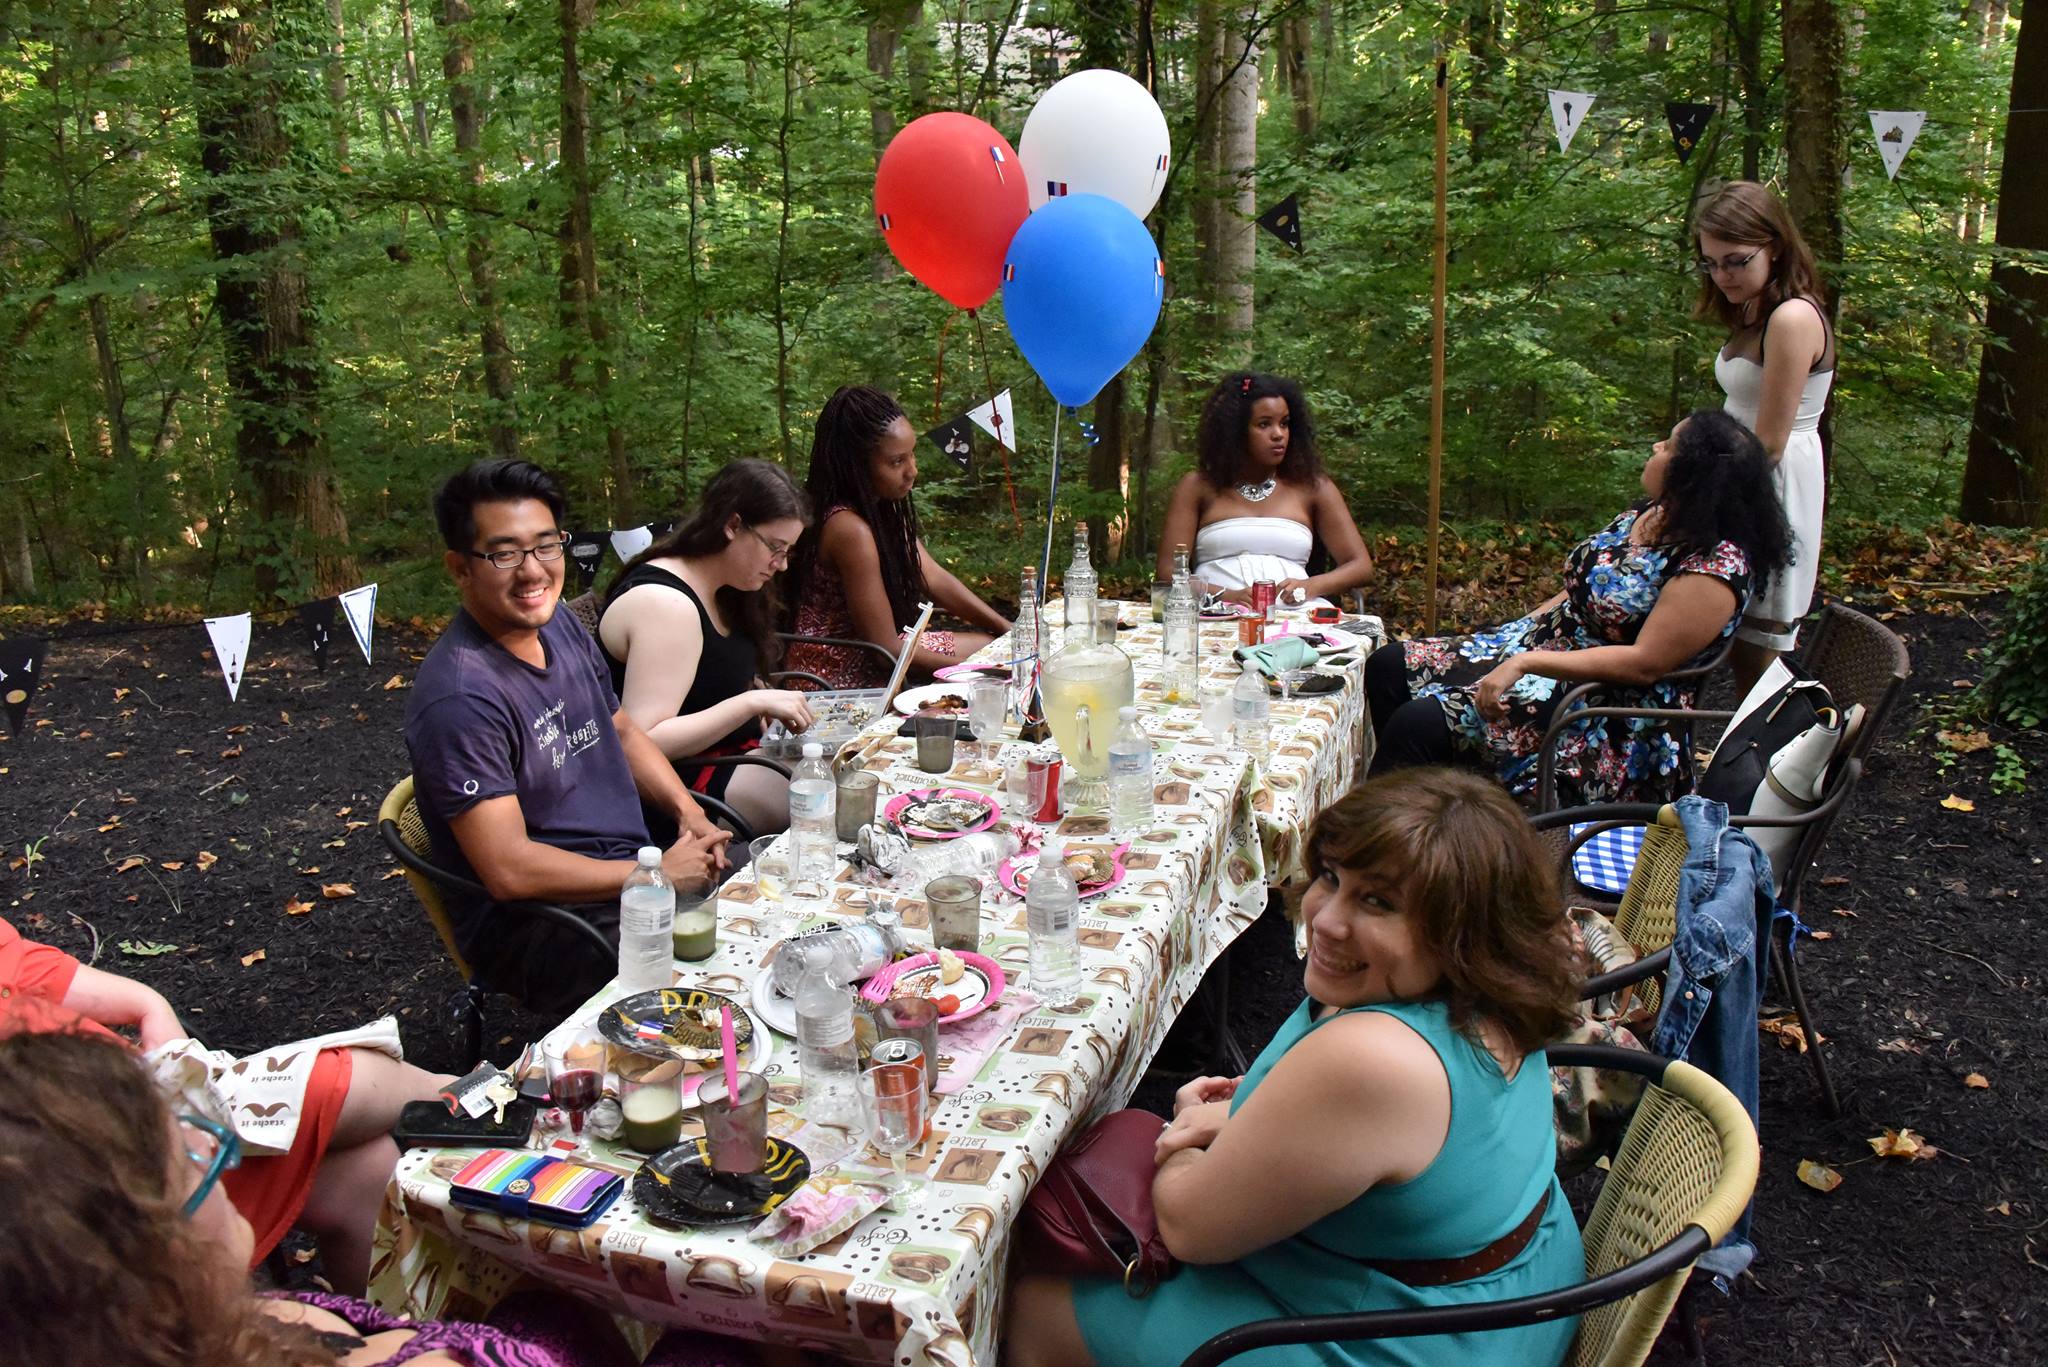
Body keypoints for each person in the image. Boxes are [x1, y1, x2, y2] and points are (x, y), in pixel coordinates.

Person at [1006, 769, 1585, 1367]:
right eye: (1331, 876)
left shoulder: (1371, 1055)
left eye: (1378, 902)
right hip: (1517, 1285)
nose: (1326, 919)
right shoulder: (1495, 985)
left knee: (1038, 1298)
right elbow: (1400, 1138)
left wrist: (1182, 1137)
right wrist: (1247, 1120)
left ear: (1461, 934)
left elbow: (1187, 1228)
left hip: (1421, 1334)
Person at [0, 1029, 757, 1367]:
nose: (217, 1149)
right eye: (191, 1159)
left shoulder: (193, 1329)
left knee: (551, 1294)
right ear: (142, 1261)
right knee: (732, 1327)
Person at [405, 459, 730, 1014]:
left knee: (771, 898)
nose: (532, 571)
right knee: (705, 998)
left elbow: (620, 728)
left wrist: (688, 812)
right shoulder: (460, 699)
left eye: (546, 545)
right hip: (542, 924)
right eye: (505, 554)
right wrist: (652, 876)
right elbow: (509, 870)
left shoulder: (557, 623)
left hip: (627, 868)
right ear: (460, 568)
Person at [0, 916, 450, 1297]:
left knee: (363, 1173)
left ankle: (382, 1325)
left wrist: (150, 1005)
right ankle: (474, 1097)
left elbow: (27, 965)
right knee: (340, 1077)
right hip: (95, 1187)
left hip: (151, 1114)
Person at [1365, 409, 1793, 809]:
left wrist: (1525, 662)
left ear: (1693, 474)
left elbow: (1644, 664)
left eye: (1669, 445)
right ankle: (1425, 804)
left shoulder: (1713, 569)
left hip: (1606, 705)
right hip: (1544, 645)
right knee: (1389, 665)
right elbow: (1581, 588)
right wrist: (1518, 631)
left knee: (1418, 724)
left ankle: (1390, 835)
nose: (1656, 447)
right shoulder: (1651, 514)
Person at [599, 460, 815, 836]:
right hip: (676, 792)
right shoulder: (666, 605)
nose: (780, 565)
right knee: (831, 787)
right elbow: (642, 741)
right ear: (732, 526)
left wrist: (759, 694)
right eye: (775, 547)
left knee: (850, 760)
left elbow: (708, 677)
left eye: (788, 552)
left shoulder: (726, 588)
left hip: (727, 757)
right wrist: (750, 703)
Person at [1694, 180, 1835, 694]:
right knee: (1733, 638)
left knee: (1759, 648)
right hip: (1737, 473)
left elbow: (1770, 442)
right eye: (1710, 263)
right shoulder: (1754, 307)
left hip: (1769, 483)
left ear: (1774, 246)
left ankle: (1793, 740)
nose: (1722, 275)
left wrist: (1696, 495)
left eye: (1736, 261)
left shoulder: (1792, 317)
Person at [783, 385, 1010, 687]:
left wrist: (1009, 629)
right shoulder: (848, 529)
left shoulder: (880, 510)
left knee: (993, 644)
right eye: (896, 461)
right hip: (832, 672)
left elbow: (932, 577)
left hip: (876, 650)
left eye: (911, 455)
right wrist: (985, 670)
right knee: (994, 659)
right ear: (857, 465)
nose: (912, 471)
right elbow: (886, 652)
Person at [1156, 372, 1374, 608]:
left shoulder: (1314, 486)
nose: (1279, 434)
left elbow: (1361, 566)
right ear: (1236, 431)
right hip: (1215, 614)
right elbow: (1168, 572)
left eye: (1284, 423)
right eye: (1264, 424)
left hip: (1296, 616)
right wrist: (1227, 596)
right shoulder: (1198, 486)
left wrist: (1311, 586)